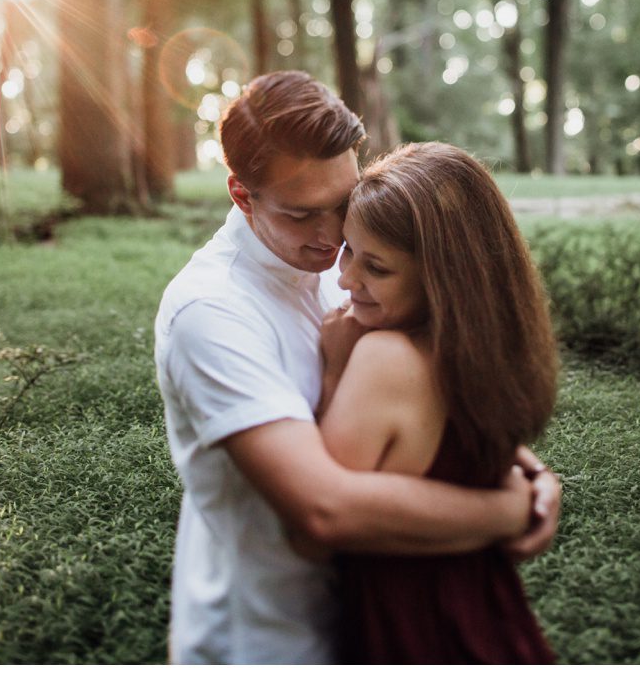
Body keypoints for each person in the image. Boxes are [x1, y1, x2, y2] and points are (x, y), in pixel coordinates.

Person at [154, 71, 561, 664]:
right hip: (269, 633)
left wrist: (527, 470)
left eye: (343, 203)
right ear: (242, 196)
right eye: (301, 214)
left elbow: (439, 377)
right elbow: (322, 512)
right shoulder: (213, 312)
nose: (330, 239)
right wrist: (506, 510)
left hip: (376, 616)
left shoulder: (358, 261)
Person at [316, 141, 559, 663]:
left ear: (444, 279)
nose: (345, 278)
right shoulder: (496, 352)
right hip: (488, 606)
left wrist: (335, 371)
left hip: (412, 621)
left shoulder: (386, 360)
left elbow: (318, 525)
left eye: (376, 268)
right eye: (347, 249)